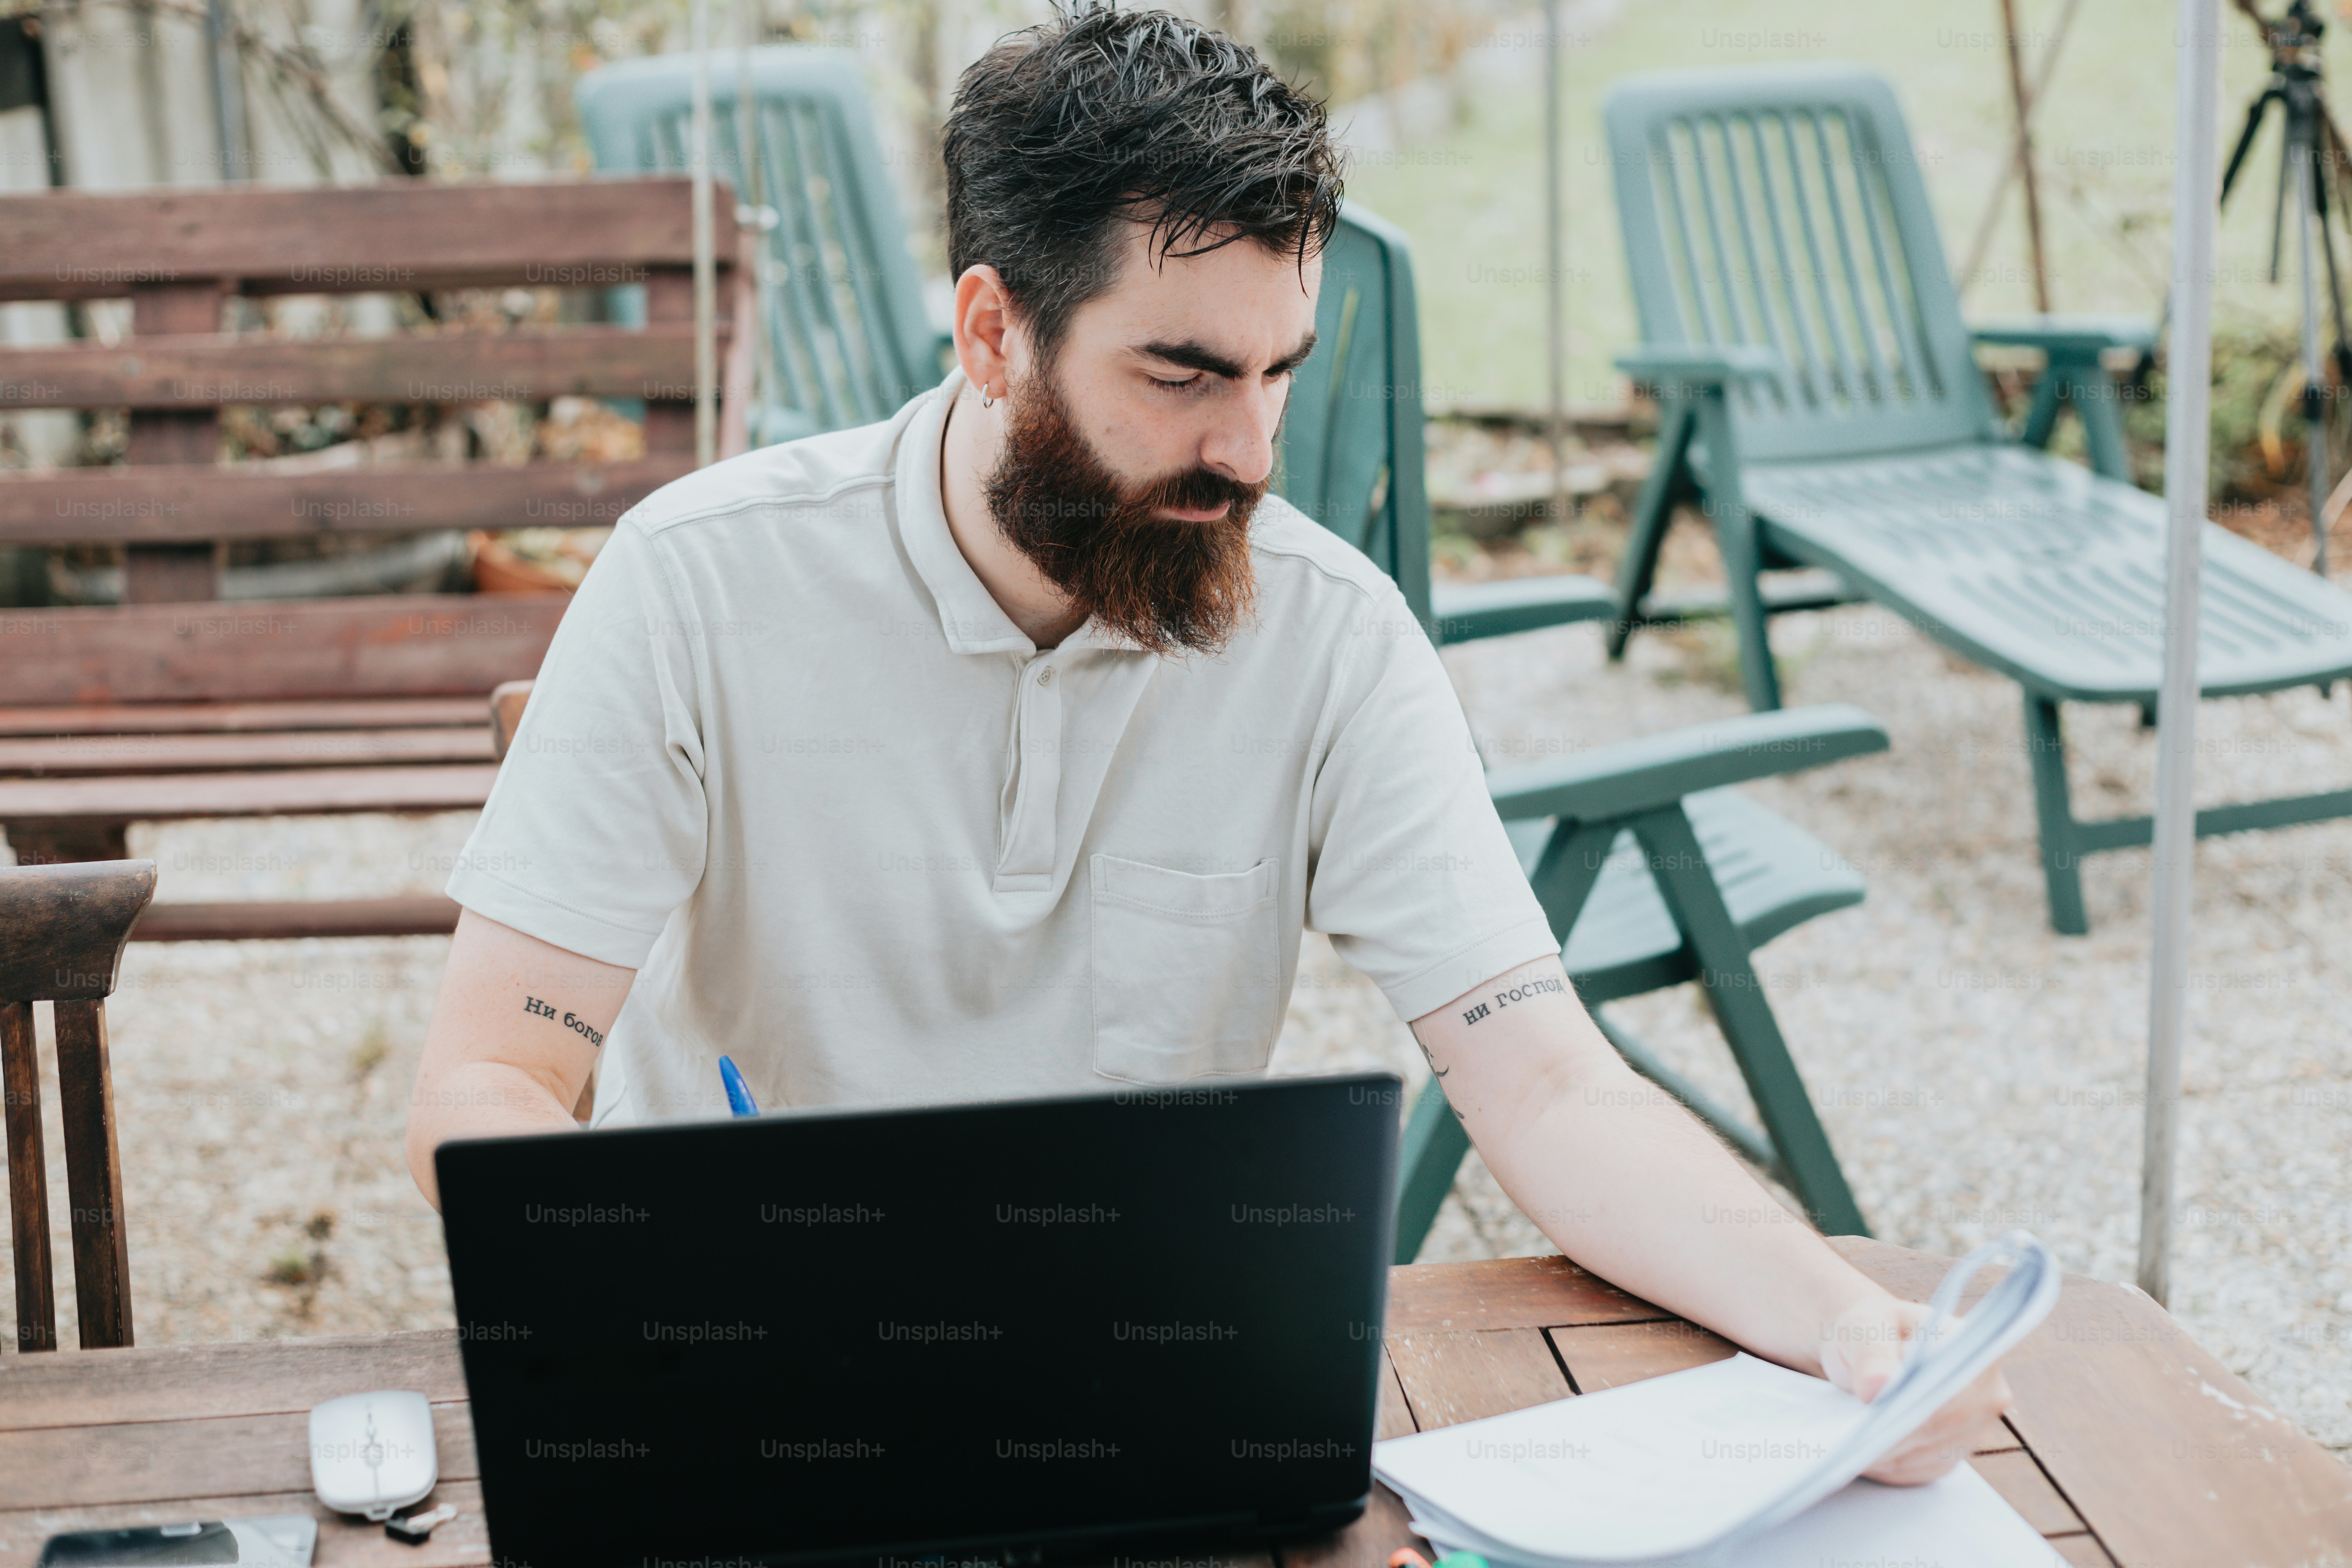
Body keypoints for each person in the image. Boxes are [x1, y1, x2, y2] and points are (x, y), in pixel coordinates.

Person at [405, 3, 2010, 1485]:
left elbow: (1547, 1090)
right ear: (991, 331)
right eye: (1181, 375)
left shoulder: (1331, 632)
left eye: (1278, 375)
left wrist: (1841, 1319)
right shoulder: (697, 580)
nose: (1246, 451)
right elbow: (491, 1073)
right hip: (744, 1385)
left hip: (1141, 1392)